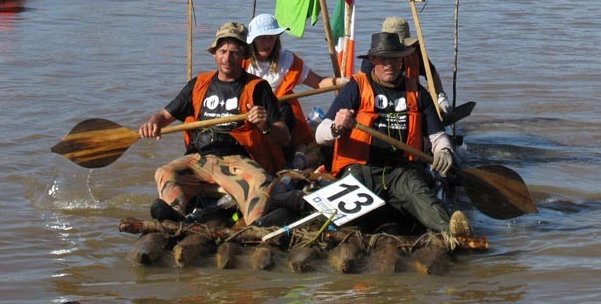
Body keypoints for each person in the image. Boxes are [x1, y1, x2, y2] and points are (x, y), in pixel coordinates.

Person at [315, 31, 471, 237]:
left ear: (402, 62)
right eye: (383, 59)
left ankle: (456, 235)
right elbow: (319, 134)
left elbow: (438, 136)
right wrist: (337, 126)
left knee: (430, 207)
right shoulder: (355, 88)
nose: (389, 64)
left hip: (401, 170)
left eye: (394, 59)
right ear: (372, 60)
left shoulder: (417, 92)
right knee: (325, 219)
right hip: (360, 169)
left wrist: (444, 151)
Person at [139, 21, 291, 226]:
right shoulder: (199, 83)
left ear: (244, 56)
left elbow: (284, 136)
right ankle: (175, 214)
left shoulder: (258, 88)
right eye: (223, 51)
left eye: (234, 53)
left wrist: (265, 126)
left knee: (261, 181)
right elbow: (164, 115)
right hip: (199, 158)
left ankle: (254, 226)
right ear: (215, 54)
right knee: (164, 172)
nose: (227, 58)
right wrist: (153, 123)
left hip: (235, 161)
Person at [245, 13, 348, 168]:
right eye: (262, 38)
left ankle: (286, 152)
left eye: (271, 38)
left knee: (286, 108)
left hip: (281, 116)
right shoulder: (243, 61)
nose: (267, 43)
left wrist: (340, 81)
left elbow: (318, 82)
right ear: (253, 40)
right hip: (252, 112)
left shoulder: (288, 60)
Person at [361, 17, 451, 117]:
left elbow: (431, 73)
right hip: (382, 104)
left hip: (411, 101)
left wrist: (440, 96)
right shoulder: (373, 59)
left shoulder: (414, 51)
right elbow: (364, 88)